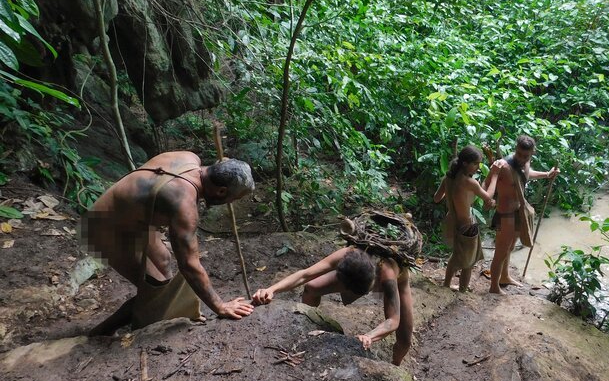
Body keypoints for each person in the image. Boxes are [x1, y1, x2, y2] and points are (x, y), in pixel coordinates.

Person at [82, 151, 255, 335]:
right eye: (233, 199)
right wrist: (220, 306)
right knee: (157, 289)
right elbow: (189, 265)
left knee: (163, 260)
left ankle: (162, 309)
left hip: (131, 219)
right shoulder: (184, 205)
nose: (231, 202)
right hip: (103, 227)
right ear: (221, 191)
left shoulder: (190, 157)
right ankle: (100, 333)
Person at [252, 246, 413, 365]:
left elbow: (393, 320)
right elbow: (305, 275)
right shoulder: (348, 254)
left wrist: (369, 336)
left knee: (404, 339)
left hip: (397, 281)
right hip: (355, 276)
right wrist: (272, 289)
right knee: (311, 288)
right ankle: (309, 327)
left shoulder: (387, 273)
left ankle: (395, 367)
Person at [488, 135, 558, 294]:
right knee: (500, 251)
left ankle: (504, 276)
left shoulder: (526, 162)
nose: (521, 158)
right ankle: (493, 287)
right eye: (519, 154)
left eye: (526, 156)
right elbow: (487, 185)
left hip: (518, 211)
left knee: (510, 247)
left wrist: (547, 174)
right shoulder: (503, 166)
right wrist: (489, 199)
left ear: (532, 153)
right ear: (515, 149)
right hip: (504, 214)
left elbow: (526, 174)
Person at [433, 145, 503, 292]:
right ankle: (463, 290)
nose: (478, 167)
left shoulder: (448, 178)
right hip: (466, 227)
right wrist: (495, 175)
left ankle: (446, 284)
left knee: (456, 255)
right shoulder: (469, 182)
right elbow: (488, 197)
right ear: (465, 163)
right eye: (476, 163)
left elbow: (437, 198)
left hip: (451, 222)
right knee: (469, 263)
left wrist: (452, 194)